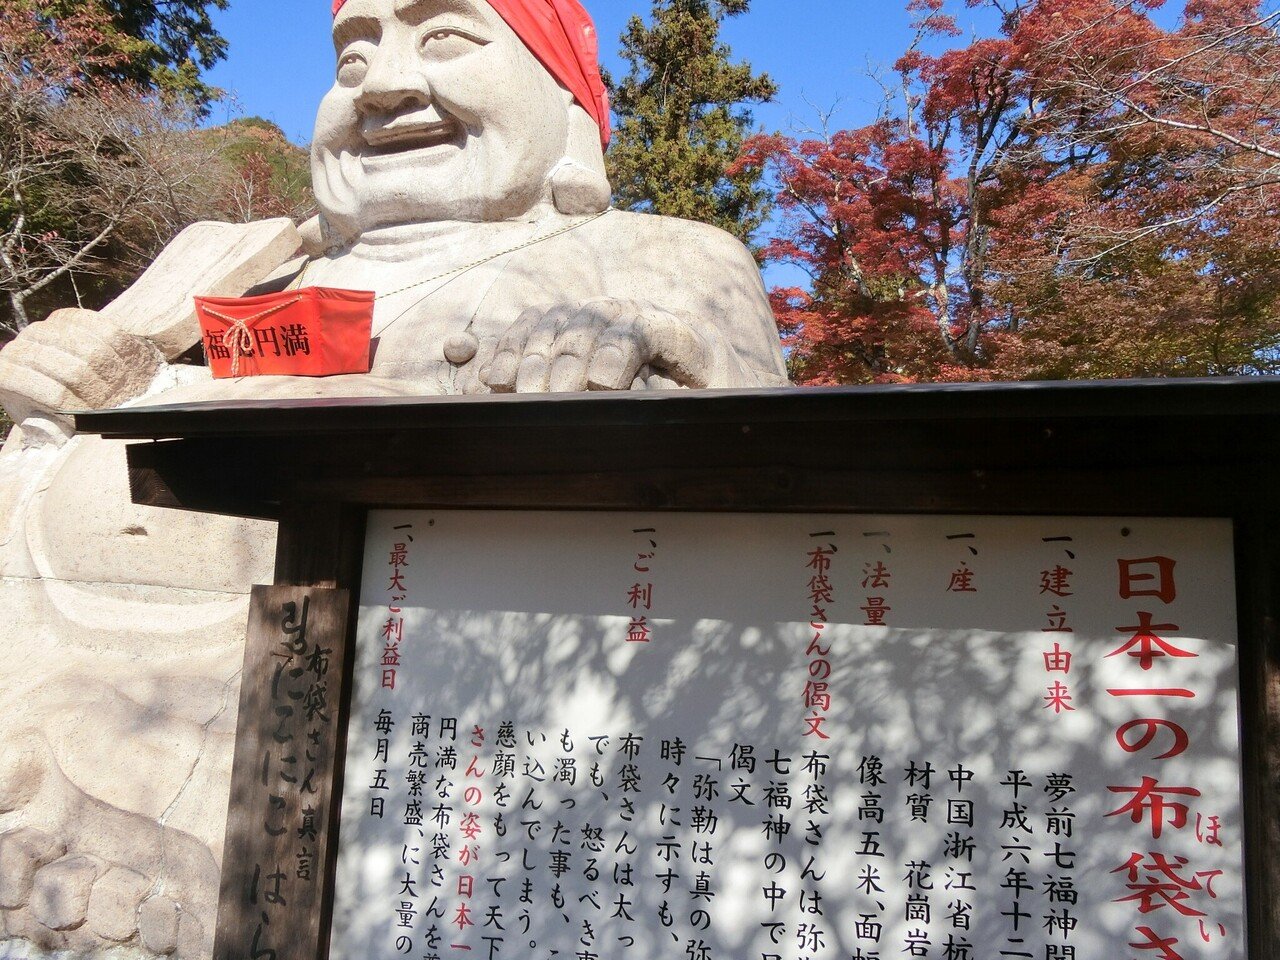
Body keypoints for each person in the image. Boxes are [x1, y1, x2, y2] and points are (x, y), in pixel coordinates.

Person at [0, 1, 786, 956]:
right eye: (354, 54)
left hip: (339, 743)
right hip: (54, 671)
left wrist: (654, 354)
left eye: (444, 37)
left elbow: (767, 480)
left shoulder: (664, 254)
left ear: (569, 103)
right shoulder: (229, 263)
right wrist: (71, 375)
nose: (384, 82)